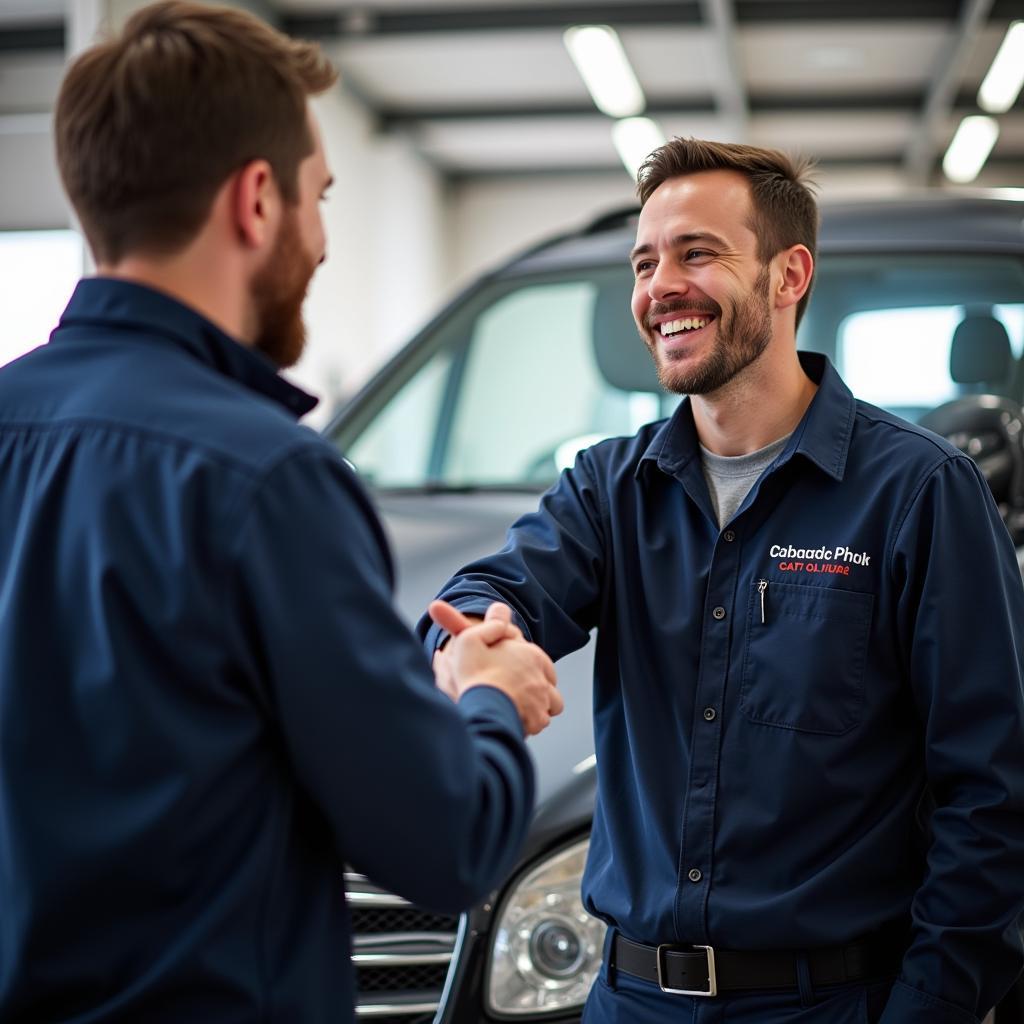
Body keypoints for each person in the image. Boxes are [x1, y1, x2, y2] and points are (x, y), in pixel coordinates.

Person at [0, 3, 563, 1022]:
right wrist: (489, 695)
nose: (320, 239)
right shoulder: (264, 477)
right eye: (320, 197)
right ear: (256, 201)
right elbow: (446, 845)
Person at [421, 139, 1024, 1023]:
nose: (660, 285)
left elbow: (995, 797)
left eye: (696, 253)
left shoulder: (920, 494)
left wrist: (929, 1007)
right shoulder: (609, 488)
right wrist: (472, 644)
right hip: (629, 1002)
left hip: (831, 1003)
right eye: (645, 261)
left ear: (788, 276)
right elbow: (485, 594)